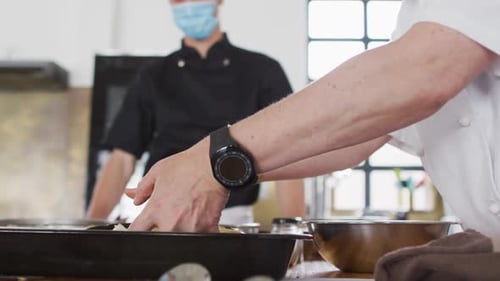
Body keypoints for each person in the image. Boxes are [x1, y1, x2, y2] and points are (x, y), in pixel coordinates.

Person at [126, 1, 500, 249]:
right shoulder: (415, 14)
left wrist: (211, 160)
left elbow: (423, 72)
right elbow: (357, 137)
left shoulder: (260, 68)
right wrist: (217, 169)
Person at [85, 0, 305, 224]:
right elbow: (122, 158)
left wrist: (297, 234)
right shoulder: (152, 77)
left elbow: (290, 151)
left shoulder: (263, 71)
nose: (189, 4)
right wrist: (90, 226)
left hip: (233, 220)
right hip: (163, 216)